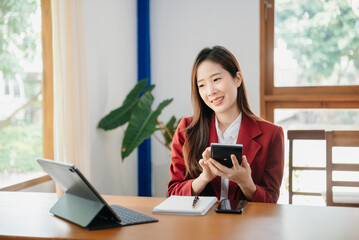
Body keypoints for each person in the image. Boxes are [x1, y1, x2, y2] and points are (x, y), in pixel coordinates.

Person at [168, 46, 284, 203]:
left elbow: (270, 201)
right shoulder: (187, 130)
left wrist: (246, 183)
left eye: (216, 80)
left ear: (237, 79)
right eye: (202, 85)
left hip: (247, 226)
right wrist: (204, 178)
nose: (210, 91)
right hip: (199, 227)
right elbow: (173, 194)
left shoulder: (271, 134)